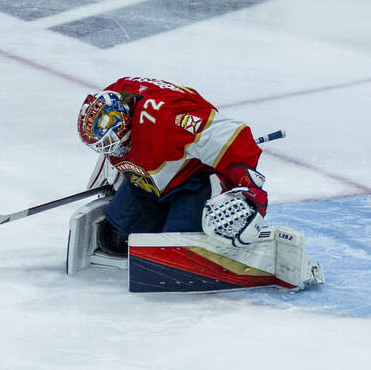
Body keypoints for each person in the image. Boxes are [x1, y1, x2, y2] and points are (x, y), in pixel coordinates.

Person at [77, 76, 269, 253]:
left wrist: (247, 187)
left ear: (124, 124)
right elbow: (111, 150)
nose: (108, 149)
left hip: (193, 182)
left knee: (172, 252)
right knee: (115, 239)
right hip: (145, 182)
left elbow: (235, 137)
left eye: (109, 143)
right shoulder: (113, 98)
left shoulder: (167, 119)